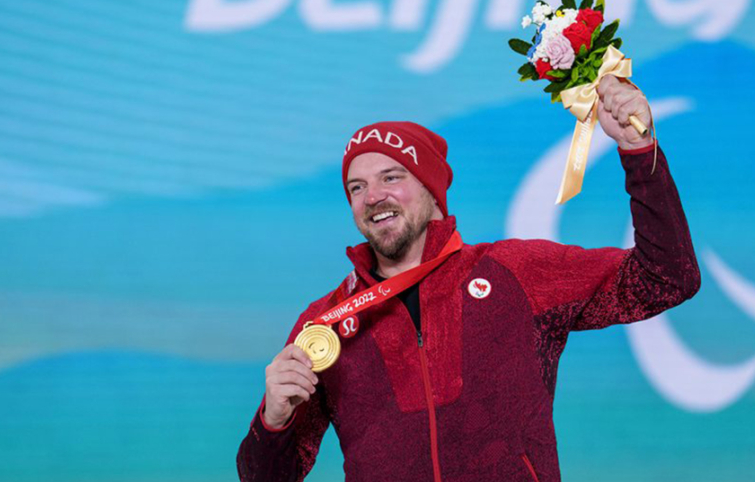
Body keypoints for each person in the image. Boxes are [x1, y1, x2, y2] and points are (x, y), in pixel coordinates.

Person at [236, 75, 700, 482]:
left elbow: (666, 279)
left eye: (391, 177)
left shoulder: (518, 272)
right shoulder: (326, 324)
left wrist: (639, 151)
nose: (373, 196)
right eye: (356, 188)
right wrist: (273, 419)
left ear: (431, 190)